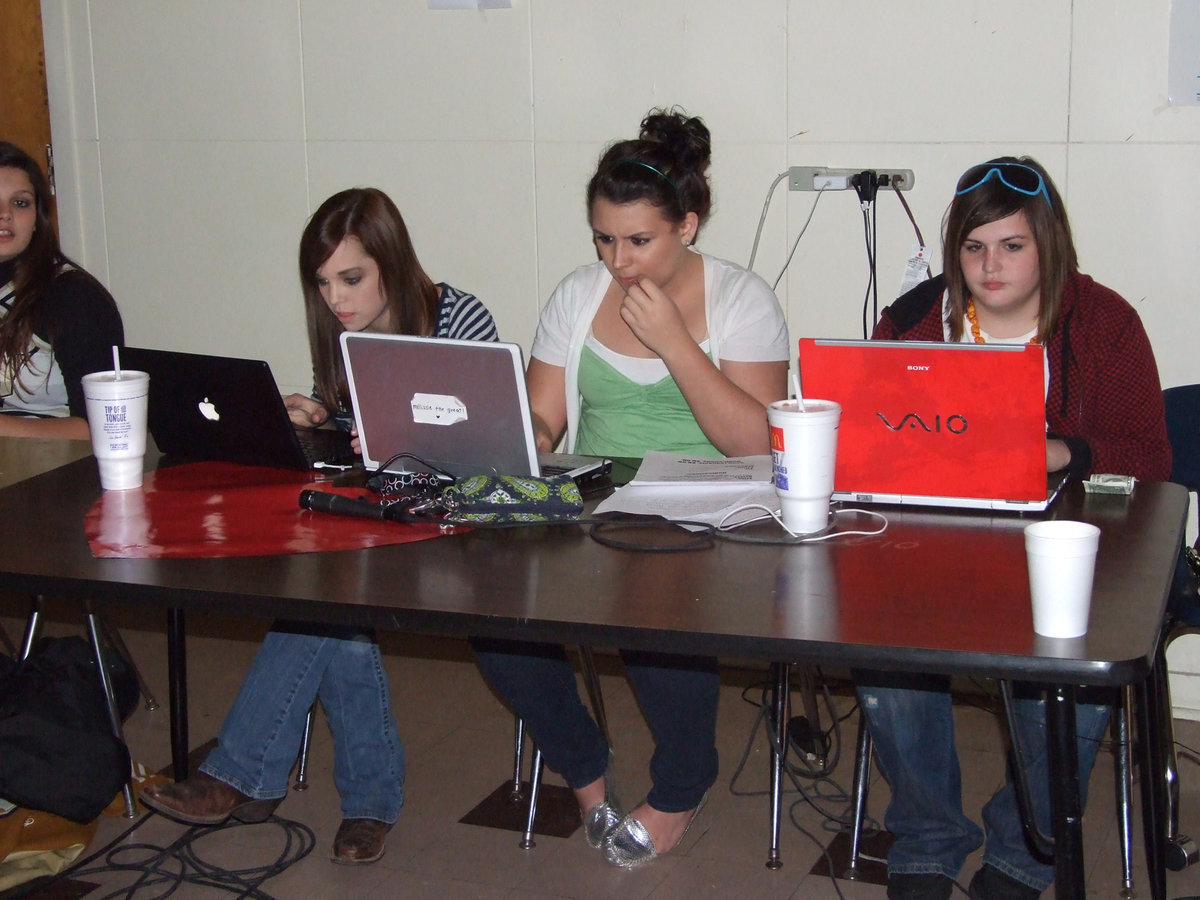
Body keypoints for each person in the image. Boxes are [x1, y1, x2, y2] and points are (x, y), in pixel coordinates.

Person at [141, 188, 498, 865]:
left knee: (326, 598)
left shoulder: (457, 315)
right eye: (323, 282)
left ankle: (245, 771)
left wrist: (378, 438)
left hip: (450, 522)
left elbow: (480, 438)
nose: (336, 297)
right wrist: (318, 417)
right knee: (336, 608)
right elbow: (358, 435)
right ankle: (365, 802)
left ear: (391, 262)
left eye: (351, 277)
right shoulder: (345, 332)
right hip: (374, 518)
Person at [472, 108, 789, 868]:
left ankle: (683, 783)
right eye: (604, 239)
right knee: (491, 613)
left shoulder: (743, 300)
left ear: (688, 223)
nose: (618, 261)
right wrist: (521, 446)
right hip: (599, 506)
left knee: (654, 610)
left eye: (638, 240)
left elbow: (756, 445)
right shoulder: (579, 295)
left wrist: (676, 342)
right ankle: (584, 768)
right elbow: (544, 419)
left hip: (716, 513)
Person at [854, 157, 1171, 900]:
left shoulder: (1105, 323)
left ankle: (1028, 846)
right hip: (937, 540)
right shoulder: (909, 321)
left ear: (1048, 246)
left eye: (1012, 246)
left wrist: (1070, 450)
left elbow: (1153, 460)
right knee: (878, 647)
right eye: (973, 247)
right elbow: (870, 438)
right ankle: (928, 837)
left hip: (1065, 540)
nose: (989, 266)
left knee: (1066, 663)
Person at [0, 140, 123, 439]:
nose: (5, 215)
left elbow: (105, 425)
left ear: (37, 217)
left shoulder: (72, 295)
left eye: (20, 203)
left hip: (61, 471)